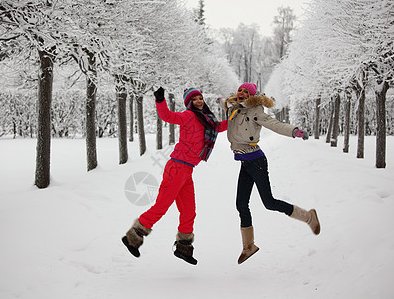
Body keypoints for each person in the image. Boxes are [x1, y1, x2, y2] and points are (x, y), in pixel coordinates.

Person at [122, 87, 228, 265]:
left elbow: (220, 127)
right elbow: (168, 116)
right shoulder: (188, 116)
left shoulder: (208, 120)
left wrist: (237, 116)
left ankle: (183, 248)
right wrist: (160, 100)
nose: (199, 101)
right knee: (162, 206)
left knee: (189, 211)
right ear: (189, 103)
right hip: (177, 168)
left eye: (200, 98)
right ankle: (133, 237)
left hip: (187, 171)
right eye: (195, 99)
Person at [220, 83, 320, 264]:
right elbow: (224, 104)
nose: (241, 93)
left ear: (251, 96)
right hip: (245, 163)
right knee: (241, 204)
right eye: (240, 90)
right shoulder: (234, 108)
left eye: (246, 92)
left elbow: (274, 124)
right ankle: (249, 246)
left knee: (269, 202)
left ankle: (308, 216)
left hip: (256, 162)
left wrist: (294, 131)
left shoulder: (256, 111)